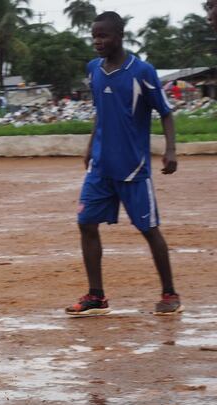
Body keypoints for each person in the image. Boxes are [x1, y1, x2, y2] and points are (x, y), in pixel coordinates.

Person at [65, 12, 182, 317]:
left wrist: (170, 150)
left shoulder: (142, 71)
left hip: (133, 169)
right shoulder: (93, 70)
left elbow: (165, 113)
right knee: (85, 224)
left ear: (119, 36)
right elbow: (101, 112)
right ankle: (96, 296)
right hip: (101, 168)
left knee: (149, 229)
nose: (97, 42)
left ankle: (169, 293)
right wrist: (91, 145)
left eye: (103, 36)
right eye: (94, 36)